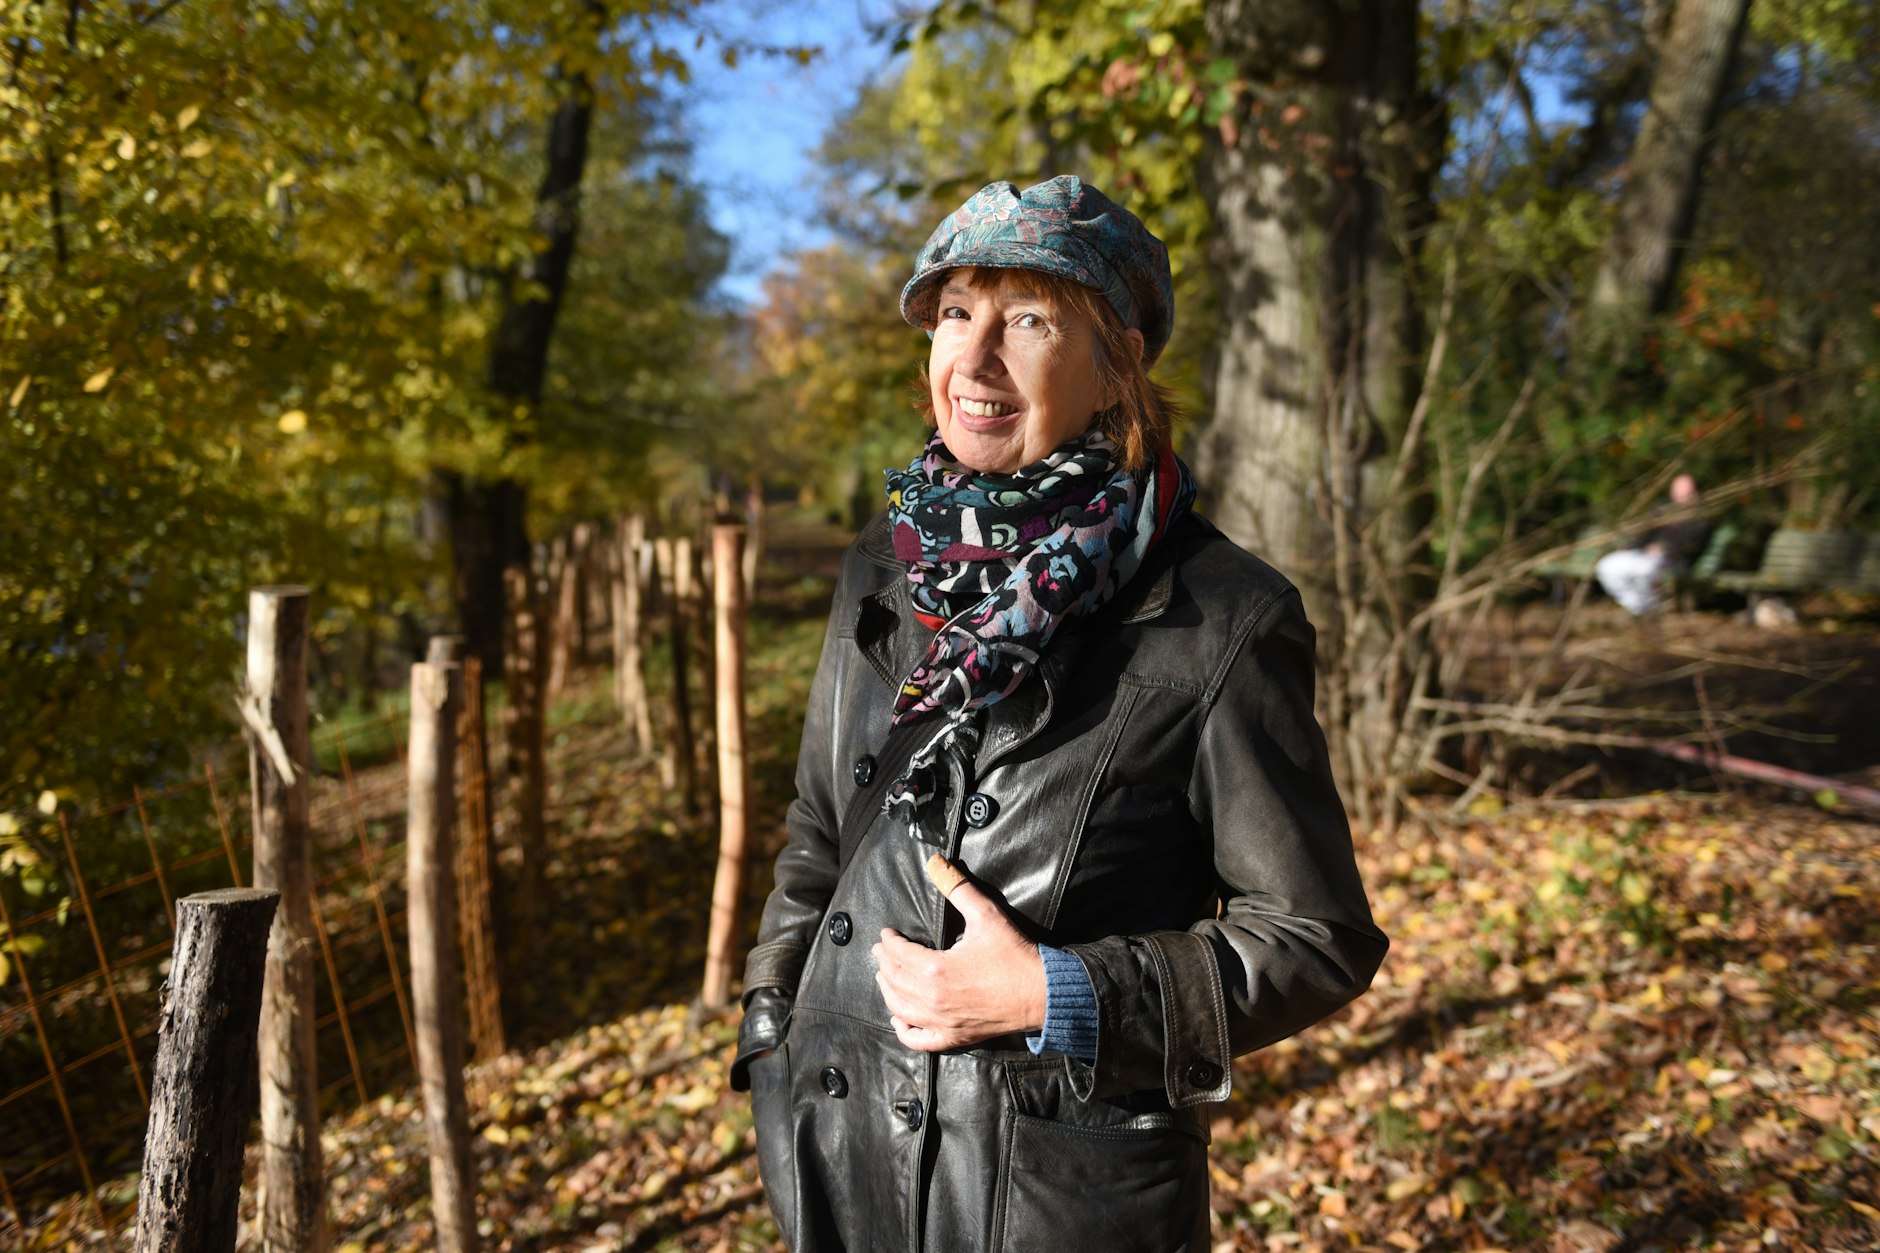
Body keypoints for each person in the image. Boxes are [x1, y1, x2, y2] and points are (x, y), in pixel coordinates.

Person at [729, 175, 1387, 1252]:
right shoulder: (882, 567)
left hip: (1046, 1201)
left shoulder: (1219, 613)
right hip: (834, 1156)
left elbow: (1315, 936)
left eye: (1028, 319)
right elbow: (816, 824)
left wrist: (1056, 990)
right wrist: (771, 1025)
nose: (974, 358)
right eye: (954, 313)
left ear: (1115, 363)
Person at [1593, 474, 1711, 615]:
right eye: (1678, 489)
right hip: (1644, 555)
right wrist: (1630, 546)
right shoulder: (1663, 510)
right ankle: (1637, 607)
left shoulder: (1699, 519)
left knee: (1644, 572)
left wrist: (1664, 549)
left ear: (1694, 491)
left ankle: (1648, 609)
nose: (1682, 494)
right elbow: (1646, 533)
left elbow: (1691, 546)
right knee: (1606, 566)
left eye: (1686, 490)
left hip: (1673, 561)